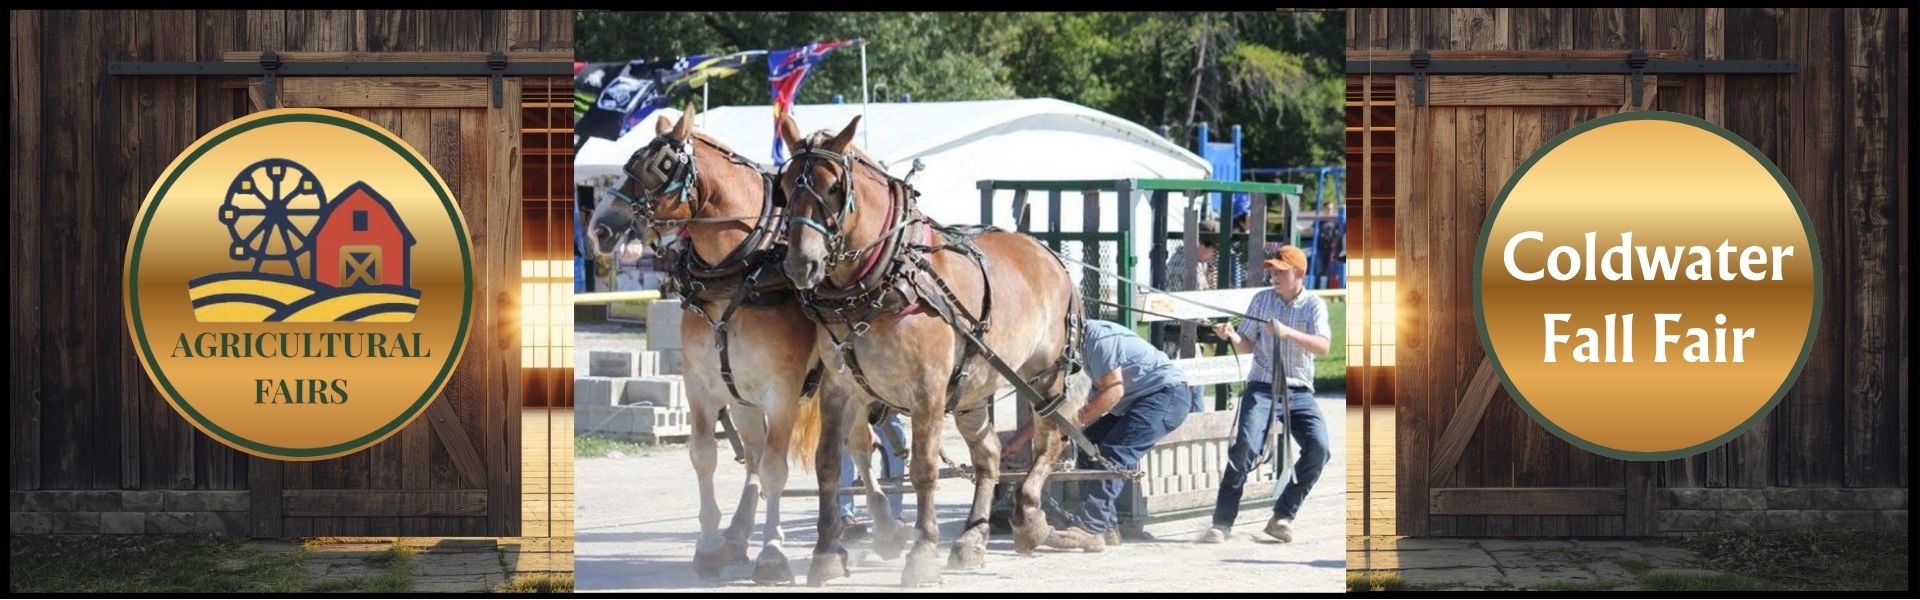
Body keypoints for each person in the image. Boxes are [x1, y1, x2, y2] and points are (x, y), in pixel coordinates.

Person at [1004, 319, 1191, 551]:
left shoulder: (1098, 340)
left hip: (1166, 396)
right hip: (1135, 401)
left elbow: (1113, 390)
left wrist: (1072, 424)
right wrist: (1019, 440)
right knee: (1088, 445)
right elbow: (1055, 411)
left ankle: (1090, 528)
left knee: (1114, 452)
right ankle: (1105, 525)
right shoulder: (1075, 351)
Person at [1200, 245, 1333, 544]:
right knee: (1245, 446)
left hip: (1298, 391)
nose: (1273, 276)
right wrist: (1232, 336)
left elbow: (1323, 347)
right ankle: (1222, 522)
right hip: (1261, 387)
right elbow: (1247, 343)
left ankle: (1282, 515)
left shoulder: (1314, 305)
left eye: (1280, 271)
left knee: (1320, 449)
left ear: (1299, 274)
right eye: (1272, 271)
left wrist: (1288, 333)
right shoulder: (1261, 300)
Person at [836, 410, 907, 540]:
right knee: (842, 452)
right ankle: (844, 515)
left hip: (881, 414)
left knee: (896, 445)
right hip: (850, 414)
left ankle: (894, 513)